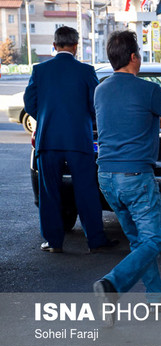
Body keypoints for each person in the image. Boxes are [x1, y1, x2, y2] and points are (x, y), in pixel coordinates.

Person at [92, 30, 161, 309]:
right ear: (133, 57)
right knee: (154, 240)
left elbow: (123, 121)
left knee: (138, 241)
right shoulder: (148, 90)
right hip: (135, 177)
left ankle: (156, 295)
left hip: (106, 176)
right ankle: (112, 284)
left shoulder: (101, 89)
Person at [23, 26, 116, 254]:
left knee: (50, 193)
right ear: (75, 47)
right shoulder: (86, 71)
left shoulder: (39, 70)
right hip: (78, 140)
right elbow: (95, 105)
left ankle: (54, 242)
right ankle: (95, 241)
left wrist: (46, 118)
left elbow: (29, 102)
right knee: (86, 190)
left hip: (48, 140)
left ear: (54, 46)